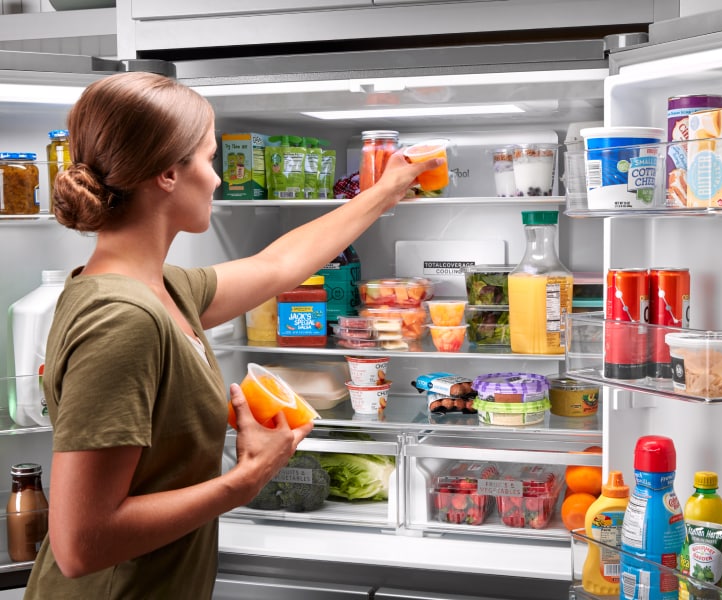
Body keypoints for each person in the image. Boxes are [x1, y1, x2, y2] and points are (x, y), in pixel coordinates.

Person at [25, 71, 442, 599]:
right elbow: (81, 545)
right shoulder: (122, 320)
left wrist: (383, 193)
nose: (218, 179)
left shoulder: (162, 289)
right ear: (167, 174)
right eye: (208, 158)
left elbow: (277, 266)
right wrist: (246, 479)